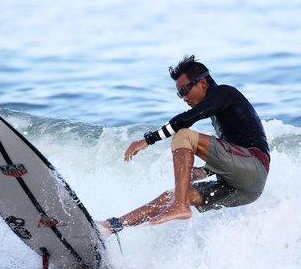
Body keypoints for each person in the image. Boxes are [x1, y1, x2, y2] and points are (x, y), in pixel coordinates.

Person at [100, 55, 270, 235]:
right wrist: (204, 172)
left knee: (184, 136)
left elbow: (187, 119)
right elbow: (233, 153)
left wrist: (147, 140)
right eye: (180, 93)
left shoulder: (225, 93)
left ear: (202, 83)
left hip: (254, 166)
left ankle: (180, 206)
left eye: (185, 90)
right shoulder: (220, 113)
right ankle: (113, 226)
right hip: (246, 190)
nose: (183, 97)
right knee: (174, 194)